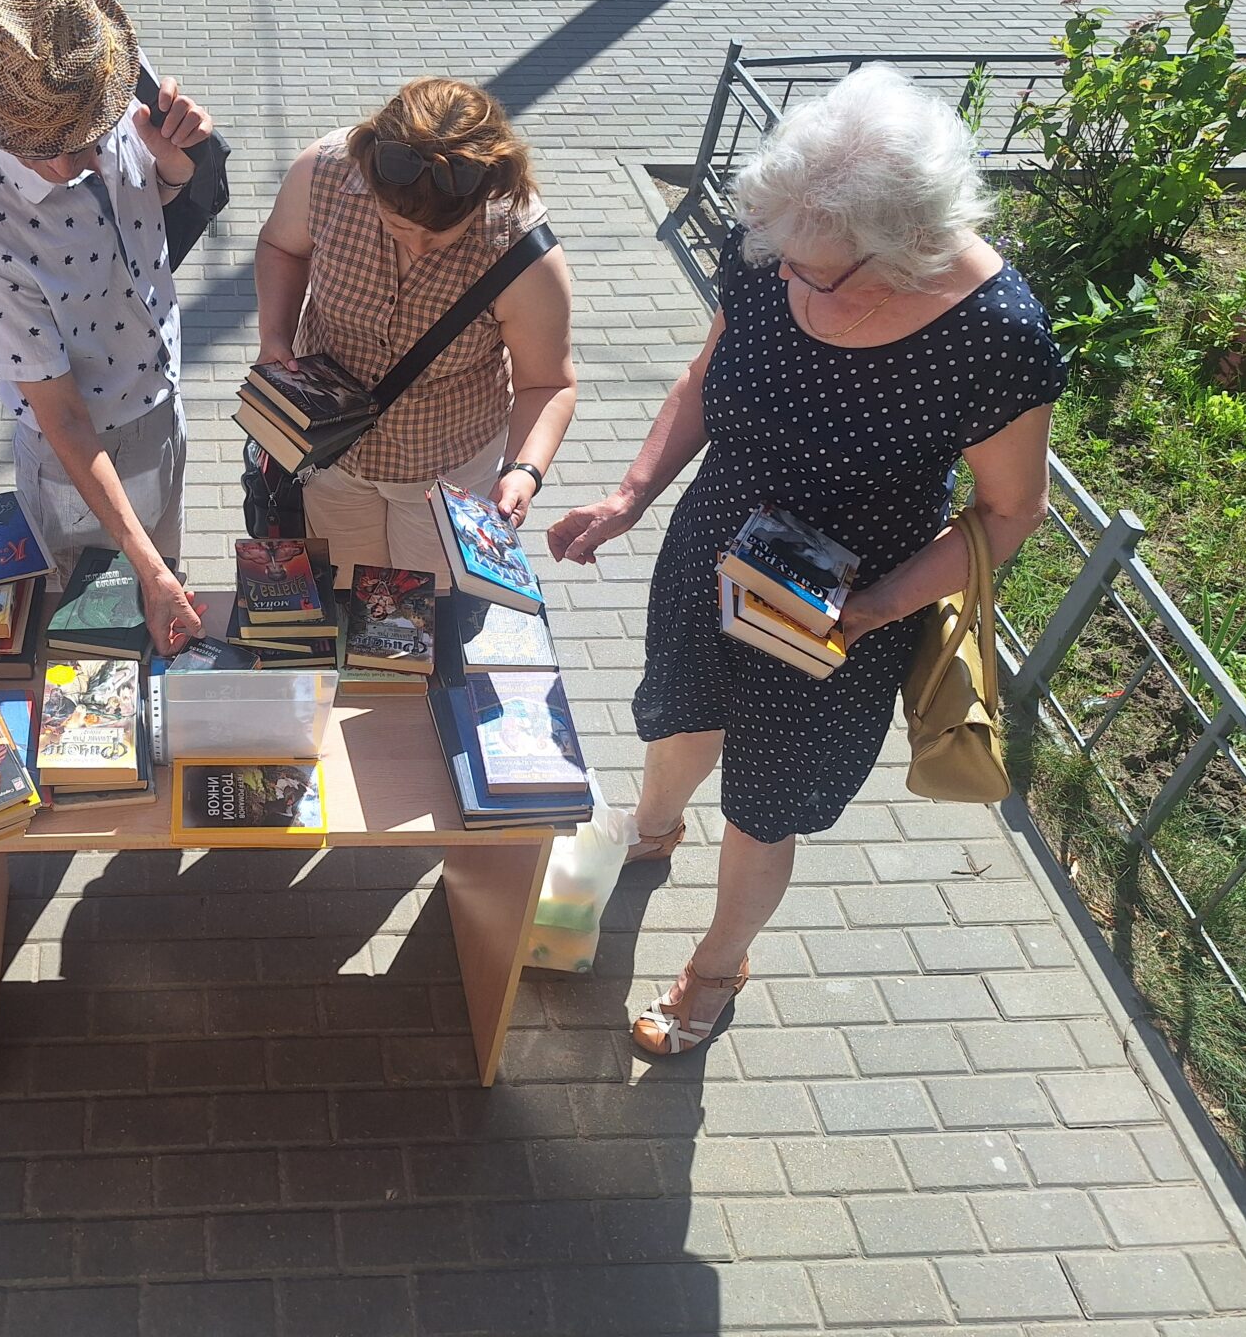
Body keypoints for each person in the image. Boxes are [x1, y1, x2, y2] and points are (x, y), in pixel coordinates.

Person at [545, 65, 1067, 1056]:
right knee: (681, 708)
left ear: (907, 247)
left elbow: (1009, 512)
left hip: (845, 603)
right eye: (776, 256)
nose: (784, 279)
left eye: (813, 273)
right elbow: (704, 378)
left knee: (766, 800)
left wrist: (875, 609)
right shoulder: (775, 245)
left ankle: (717, 964)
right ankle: (652, 829)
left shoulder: (994, 336)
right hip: (714, 543)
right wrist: (629, 496)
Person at [0, 0, 214, 654]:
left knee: (155, 612)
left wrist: (176, 162)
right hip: (80, 458)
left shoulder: (101, 75)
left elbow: (158, 209)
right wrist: (150, 569)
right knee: (91, 643)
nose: (89, 160)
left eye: (95, 135)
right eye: (55, 151)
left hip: (160, 408)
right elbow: (59, 415)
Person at [253, 78, 577, 584]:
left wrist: (524, 470)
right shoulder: (324, 173)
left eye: (441, 234)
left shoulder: (521, 249)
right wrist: (274, 335)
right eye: (399, 225)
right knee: (348, 587)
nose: (419, 247)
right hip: (330, 454)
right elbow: (282, 247)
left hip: (445, 468)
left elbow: (547, 384)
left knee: (426, 602)